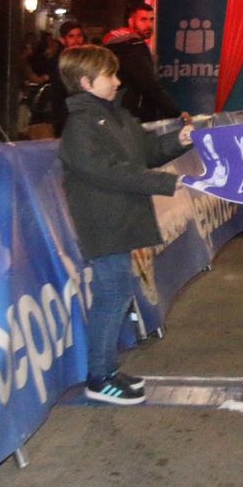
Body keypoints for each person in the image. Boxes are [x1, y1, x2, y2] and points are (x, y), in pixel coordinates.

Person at [57, 45, 195, 405]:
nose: (118, 81)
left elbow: (144, 152)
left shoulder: (114, 116)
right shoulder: (82, 126)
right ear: (86, 82)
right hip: (103, 223)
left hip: (118, 219)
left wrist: (178, 141)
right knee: (111, 296)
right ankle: (99, 377)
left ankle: (106, 370)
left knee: (115, 294)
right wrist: (166, 183)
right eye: (110, 75)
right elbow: (107, 171)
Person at [103, 4, 191, 123]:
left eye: (151, 20)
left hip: (113, 110)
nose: (148, 25)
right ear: (131, 21)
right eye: (143, 20)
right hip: (135, 115)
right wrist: (175, 113)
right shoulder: (135, 46)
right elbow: (149, 85)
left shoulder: (113, 44)